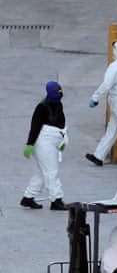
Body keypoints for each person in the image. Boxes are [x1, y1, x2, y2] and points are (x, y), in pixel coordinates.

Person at [21, 81, 69, 211]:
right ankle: (56, 200)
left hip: (53, 140)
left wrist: (63, 140)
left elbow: (62, 122)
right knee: (52, 171)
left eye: (59, 91)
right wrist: (29, 144)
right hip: (44, 142)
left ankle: (28, 197)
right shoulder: (42, 107)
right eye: (56, 92)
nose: (58, 94)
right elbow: (35, 127)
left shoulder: (58, 104)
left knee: (43, 172)